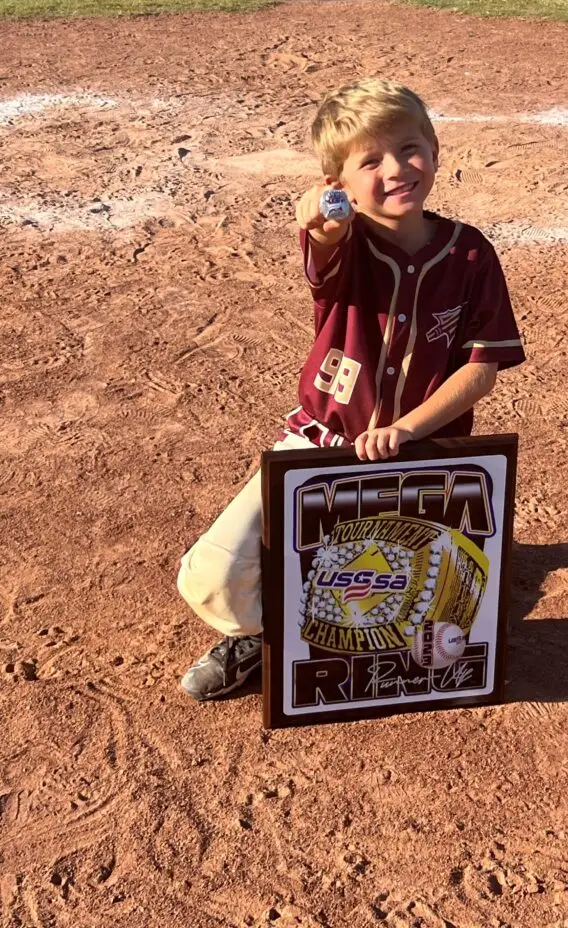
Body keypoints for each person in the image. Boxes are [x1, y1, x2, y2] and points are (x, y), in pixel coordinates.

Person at [177, 78, 526, 701]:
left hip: (425, 458)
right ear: (340, 183)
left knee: (427, 591)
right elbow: (322, 236)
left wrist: (408, 429)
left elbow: (481, 369)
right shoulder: (349, 242)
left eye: (410, 148)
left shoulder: (470, 253)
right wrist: (316, 215)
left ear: (436, 151)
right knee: (212, 572)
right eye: (371, 161)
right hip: (325, 444)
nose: (396, 169)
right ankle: (263, 636)